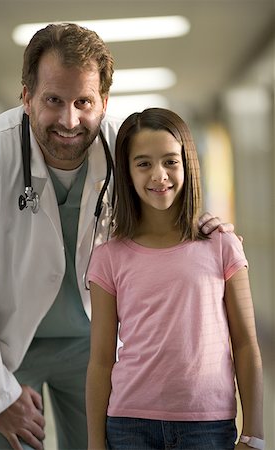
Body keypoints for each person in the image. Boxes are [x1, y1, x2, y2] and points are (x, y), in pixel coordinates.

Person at [0, 23, 234, 450]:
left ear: (104, 102)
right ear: (26, 97)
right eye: (53, 100)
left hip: (91, 343)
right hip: (2, 343)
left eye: (84, 102)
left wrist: (200, 224)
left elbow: (163, 194)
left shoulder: (124, 150)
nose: (69, 120)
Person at [86, 108, 264, 450]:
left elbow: (245, 343)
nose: (159, 175)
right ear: (127, 171)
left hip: (208, 426)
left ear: (187, 164)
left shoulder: (222, 245)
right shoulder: (109, 258)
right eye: (143, 163)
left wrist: (254, 435)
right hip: (129, 425)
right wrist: (95, 443)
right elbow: (100, 360)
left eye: (170, 161)